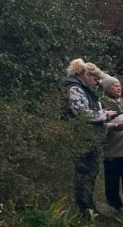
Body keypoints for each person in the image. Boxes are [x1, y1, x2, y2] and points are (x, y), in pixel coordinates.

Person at [59, 59, 118, 214]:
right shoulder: (75, 89)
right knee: (85, 174)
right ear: (84, 74)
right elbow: (83, 114)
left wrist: (111, 126)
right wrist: (106, 115)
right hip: (84, 139)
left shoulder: (82, 89)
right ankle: (85, 211)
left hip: (89, 137)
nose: (96, 82)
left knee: (89, 175)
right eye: (94, 78)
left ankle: (89, 209)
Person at [100, 74, 123, 212]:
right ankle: (115, 206)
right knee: (112, 179)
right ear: (107, 88)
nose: (119, 88)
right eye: (115, 86)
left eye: (120, 85)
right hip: (111, 149)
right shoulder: (101, 102)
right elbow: (100, 121)